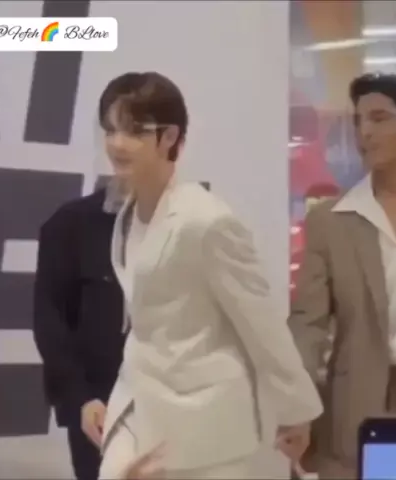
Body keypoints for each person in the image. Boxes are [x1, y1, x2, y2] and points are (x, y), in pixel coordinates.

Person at [96, 71, 323, 479]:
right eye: (110, 129)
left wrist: (296, 411)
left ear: (169, 137)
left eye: (133, 130)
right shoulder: (126, 213)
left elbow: (261, 325)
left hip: (206, 423)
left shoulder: (206, 221)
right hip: (138, 402)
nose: (117, 143)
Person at [288, 72, 396, 479]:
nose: (364, 131)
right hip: (355, 405)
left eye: (379, 118)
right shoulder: (330, 220)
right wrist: (296, 404)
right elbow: (308, 324)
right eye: (359, 120)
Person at [33, 178, 128, 480]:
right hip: (98, 403)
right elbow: (49, 317)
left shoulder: (186, 224)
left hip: (170, 401)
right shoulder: (72, 224)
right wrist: (80, 398)